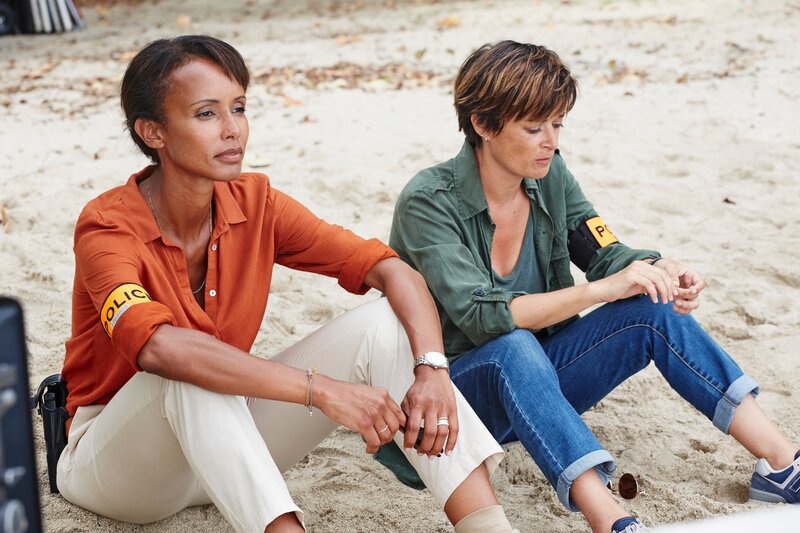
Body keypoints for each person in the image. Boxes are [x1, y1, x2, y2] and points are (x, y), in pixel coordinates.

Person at [57, 35, 515, 533]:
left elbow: (392, 270)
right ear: (153, 132)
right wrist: (321, 391)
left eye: (239, 107)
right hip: (120, 466)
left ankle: (487, 527)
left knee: (380, 322)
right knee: (189, 370)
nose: (233, 130)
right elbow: (161, 351)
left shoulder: (256, 202)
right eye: (206, 114)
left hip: (226, 447)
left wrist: (432, 370)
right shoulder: (106, 226)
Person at [389, 40, 800, 533]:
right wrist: (601, 290)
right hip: (450, 404)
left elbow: (603, 250)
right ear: (482, 123)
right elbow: (482, 317)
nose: (551, 141)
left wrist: (655, 268)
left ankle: (781, 464)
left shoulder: (550, 174)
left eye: (558, 124)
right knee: (512, 345)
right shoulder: (427, 202)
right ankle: (611, 521)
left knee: (654, 306)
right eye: (534, 126)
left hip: (539, 388)